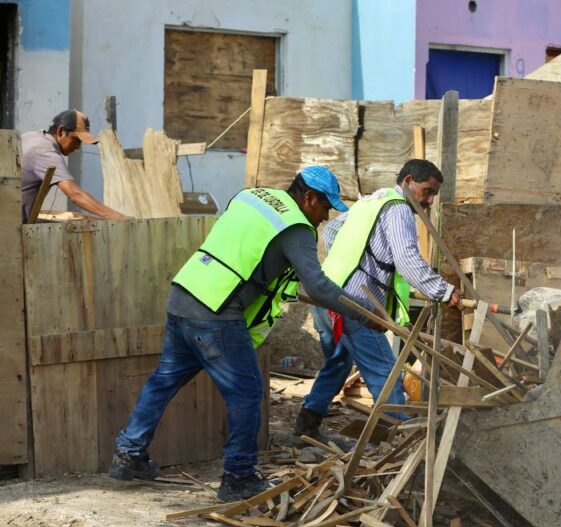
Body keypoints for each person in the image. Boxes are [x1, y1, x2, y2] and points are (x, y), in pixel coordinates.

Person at [108, 166, 358, 501]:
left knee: (164, 379)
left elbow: (248, 252)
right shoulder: (296, 227)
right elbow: (319, 286)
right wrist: (360, 312)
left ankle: (129, 454)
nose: (324, 217)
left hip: (185, 294)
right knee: (247, 393)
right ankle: (238, 476)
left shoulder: (252, 197)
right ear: (309, 197)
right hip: (217, 312)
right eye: (324, 208)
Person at [292, 159, 462, 444]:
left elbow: (332, 231)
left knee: (338, 364)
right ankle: (398, 439)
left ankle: (306, 425)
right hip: (355, 305)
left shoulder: (372, 201)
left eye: (434, 194)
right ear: (408, 181)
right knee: (385, 370)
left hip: (327, 299)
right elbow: (408, 262)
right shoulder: (398, 210)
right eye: (427, 191)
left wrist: (350, 264)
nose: (430, 200)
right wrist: (444, 291)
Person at [21, 109, 130, 222]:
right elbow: (75, 194)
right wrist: (120, 218)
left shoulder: (30, 137)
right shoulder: (46, 152)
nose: (78, 146)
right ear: (60, 131)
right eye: (76, 139)